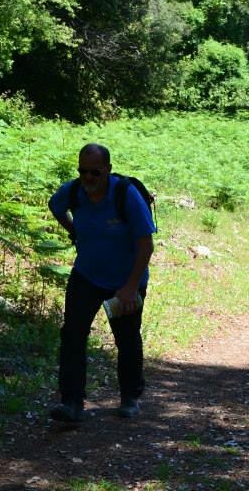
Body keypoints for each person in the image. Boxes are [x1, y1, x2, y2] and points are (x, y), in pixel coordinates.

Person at [47, 143, 156, 423]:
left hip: (125, 280)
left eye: (94, 172)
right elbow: (55, 206)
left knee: (127, 339)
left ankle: (130, 396)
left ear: (107, 169)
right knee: (72, 335)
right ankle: (71, 402)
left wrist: (131, 287)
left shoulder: (125, 195)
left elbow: (145, 245)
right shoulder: (73, 192)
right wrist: (75, 232)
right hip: (86, 275)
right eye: (83, 171)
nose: (88, 178)